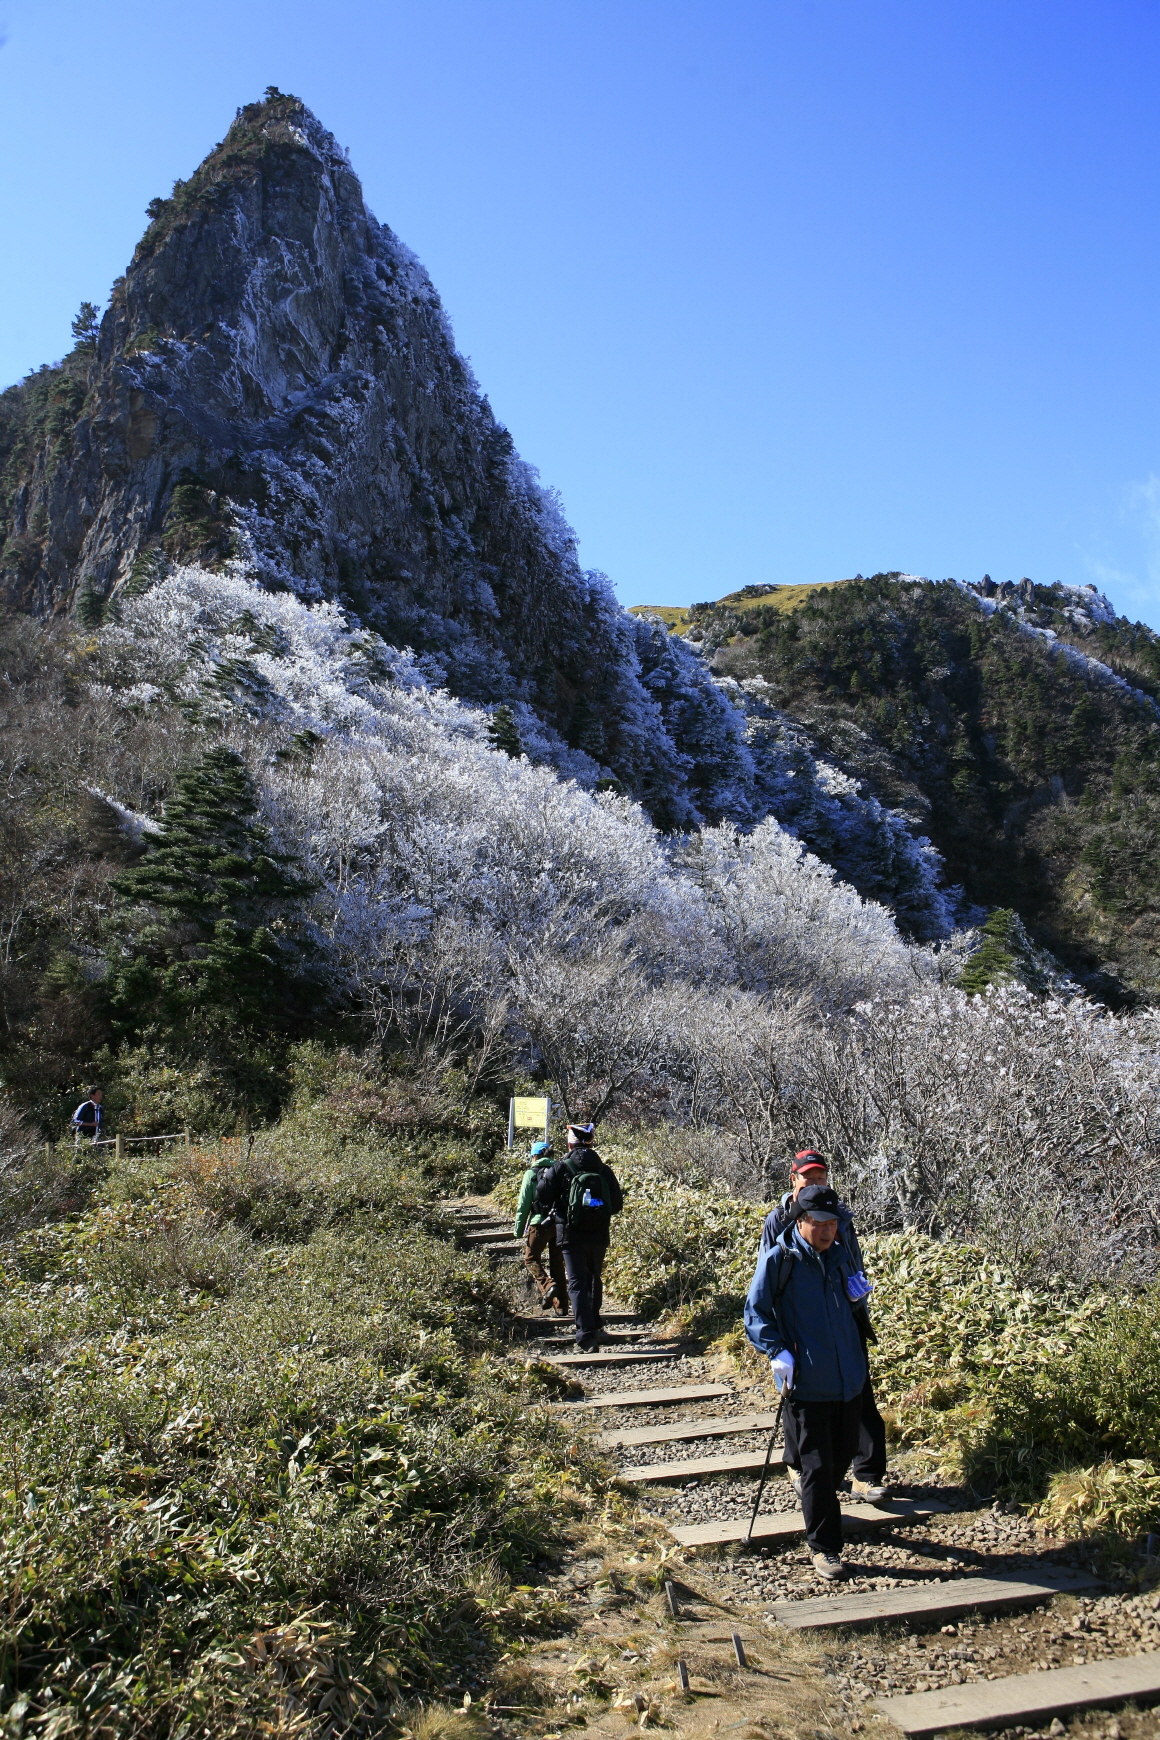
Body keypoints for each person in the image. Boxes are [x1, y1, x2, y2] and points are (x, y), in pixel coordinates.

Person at [744, 1183, 870, 1582]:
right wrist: (777, 1351)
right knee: (816, 1467)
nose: (829, 1230)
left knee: (844, 1454)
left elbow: (850, 1307)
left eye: (834, 1223)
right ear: (801, 1222)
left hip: (848, 1377)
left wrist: (858, 1297)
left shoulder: (840, 1257)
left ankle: (820, 1504)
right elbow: (755, 1311)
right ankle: (825, 1548)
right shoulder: (780, 1259)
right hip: (808, 1381)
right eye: (821, 1223)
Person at [761, 1149, 888, 1503]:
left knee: (860, 1391)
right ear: (794, 1180)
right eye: (809, 1178)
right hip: (799, 1323)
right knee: (798, 1397)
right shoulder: (779, 1219)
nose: (815, 1183)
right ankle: (800, 1463)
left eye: (821, 1177)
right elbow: (768, 1276)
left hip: (845, 1317)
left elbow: (853, 1260)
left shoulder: (839, 1215)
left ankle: (867, 1473)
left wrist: (857, 1294)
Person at [535, 1123, 623, 1351]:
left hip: (570, 1233)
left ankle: (585, 1335)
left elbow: (542, 1195)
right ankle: (595, 1323)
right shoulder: (603, 1169)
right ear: (591, 1142)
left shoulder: (561, 1166)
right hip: (599, 1234)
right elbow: (616, 1204)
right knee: (594, 1278)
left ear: (570, 1143)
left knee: (576, 1282)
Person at [514, 1140, 568, 1315]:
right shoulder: (561, 1171)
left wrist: (518, 1229)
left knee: (530, 1259)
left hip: (538, 1223)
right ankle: (561, 1308)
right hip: (559, 1223)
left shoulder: (531, 1173)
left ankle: (547, 1285)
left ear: (534, 1156)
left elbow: (523, 1205)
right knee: (557, 1263)